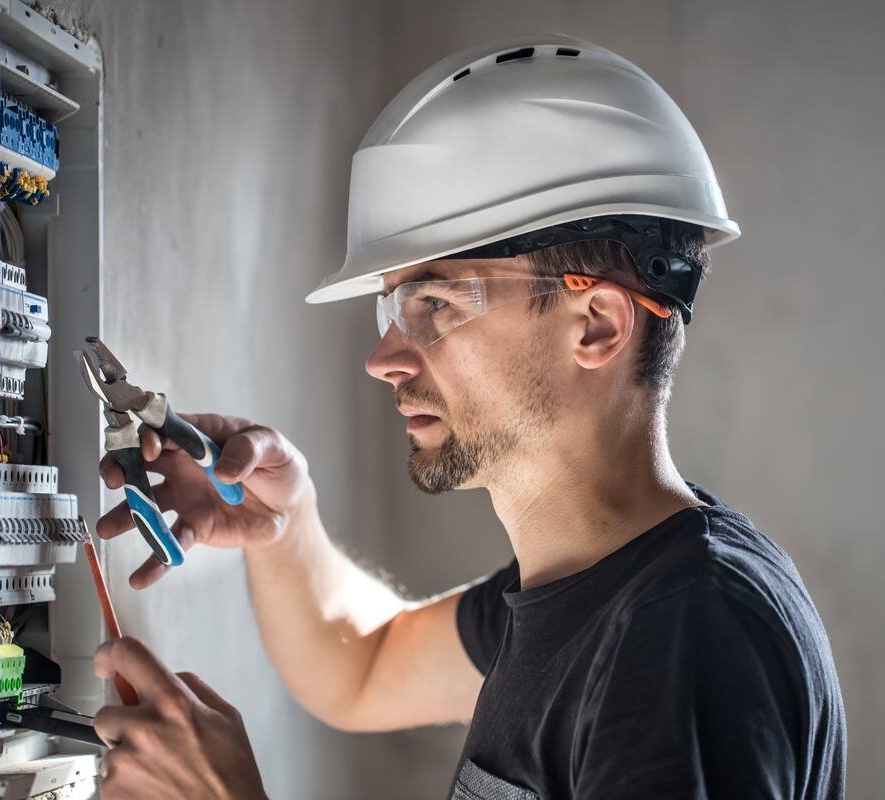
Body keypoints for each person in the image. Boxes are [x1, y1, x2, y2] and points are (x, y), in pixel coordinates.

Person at [91, 34, 846, 799]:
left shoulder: (680, 635)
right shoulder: (586, 590)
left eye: (435, 302)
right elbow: (365, 666)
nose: (383, 356)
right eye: (393, 307)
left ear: (597, 325)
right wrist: (286, 526)